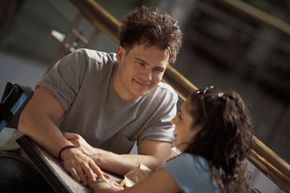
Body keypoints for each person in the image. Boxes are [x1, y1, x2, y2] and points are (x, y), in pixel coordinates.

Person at [0, 6, 183, 193]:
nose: (148, 77)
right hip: (29, 163)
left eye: (158, 70)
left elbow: (154, 161)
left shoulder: (164, 100)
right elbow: (31, 119)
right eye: (141, 63)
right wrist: (68, 152)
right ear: (120, 55)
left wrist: (96, 155)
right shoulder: (84, 64)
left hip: (82, 185)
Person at [90, 86, 254, 193]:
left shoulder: (191, 166)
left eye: (181, 117)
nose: (173, 121)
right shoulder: (220, 174)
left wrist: (98, 182)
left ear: (202, 130)